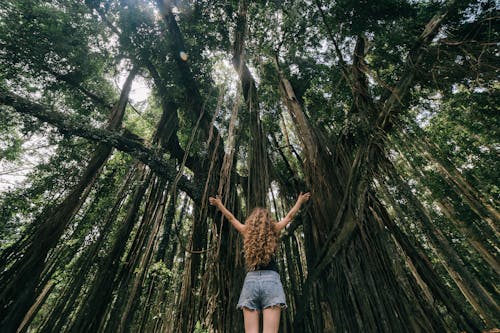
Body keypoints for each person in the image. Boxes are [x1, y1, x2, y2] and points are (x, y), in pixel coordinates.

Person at [209, 192, 311, 333]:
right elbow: (289, 217)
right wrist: (299, 201)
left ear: (252, 220)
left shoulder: (246, 231)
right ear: (268, 220)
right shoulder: (274, 228)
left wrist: (219, 204)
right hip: (271, 281)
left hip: (250, 282)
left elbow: (231, 219)